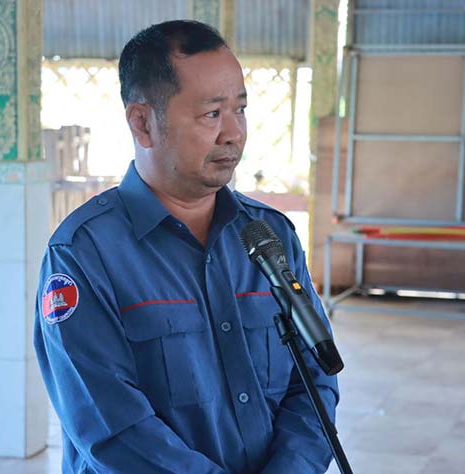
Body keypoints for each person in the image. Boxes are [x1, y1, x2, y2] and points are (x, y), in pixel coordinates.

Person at [34, 20, 339, 474]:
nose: (234, 133)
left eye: (240, 109)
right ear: (143, 123)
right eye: (211, 114)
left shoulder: (268, 235)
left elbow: (314, 383)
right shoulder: (83, 255)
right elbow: (113, 430)